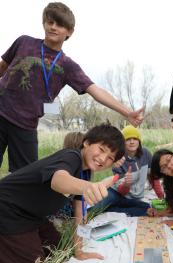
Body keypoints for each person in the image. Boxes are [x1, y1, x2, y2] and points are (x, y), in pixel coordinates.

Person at [0, 2, 143, 173]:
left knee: (24, 177)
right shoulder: (24, 42)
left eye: (60, 24)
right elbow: (3, 66)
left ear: (69, 31)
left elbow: (95, 90)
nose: (53, 27)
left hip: (25, 125)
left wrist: (126, 112)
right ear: (44, 23)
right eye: (50, 22)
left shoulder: (67, 65)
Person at [0, 123, 125, 263]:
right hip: (8, 209)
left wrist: (79, 250)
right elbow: (58, 179)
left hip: (32, 216)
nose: (103, 158)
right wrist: (87, 187)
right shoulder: (71, 156)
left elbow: (81, 214)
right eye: (101, 149)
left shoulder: (85, 173)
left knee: (60, 249)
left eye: (110, 158)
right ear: (86, 142)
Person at [91, 125, 164, 217]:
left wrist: (161, 195)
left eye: (135, 138)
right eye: (128, 139)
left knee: (146, 208)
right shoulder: (118, 158)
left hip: (132, 196)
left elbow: (153, 177)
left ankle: (111, 209)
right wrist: (127, 183)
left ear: (139, 141)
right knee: (95, 209)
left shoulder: (146, 153)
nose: (132, 142)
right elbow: (121, 191)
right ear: (123, 143)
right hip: (115, 192)